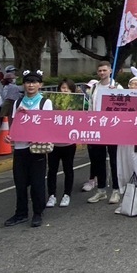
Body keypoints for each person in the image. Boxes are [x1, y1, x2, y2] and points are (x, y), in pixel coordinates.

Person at [4, 69, 51, 228]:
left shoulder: (45, 102)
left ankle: (38, 212)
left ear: (40, 85)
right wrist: (10, 136)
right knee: (20, 182)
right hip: (20, 148)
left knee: (37, 183)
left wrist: (37, 135)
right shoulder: (18, 102)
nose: (31, 85)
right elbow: (15, 125)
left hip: (36, 148)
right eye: (28, 82)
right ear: (23, 85)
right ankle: (21, 213)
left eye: (34, 82)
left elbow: (48, 125)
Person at [114, 68, 137, 215]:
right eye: (131, 84)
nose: (133, 87)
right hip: (123, 141)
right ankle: (127, 199)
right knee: (124, 167)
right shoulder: (121, 102)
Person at [87, 61, 122, 205]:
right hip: (97, 128)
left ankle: (116, 190)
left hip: (113, 128)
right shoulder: (94, 87)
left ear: (110, 71)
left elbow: (124, 107)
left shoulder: (118, 86)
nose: (102, 73)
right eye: (100, 70)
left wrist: (116, 94)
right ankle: (101, 190)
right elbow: (90, 107)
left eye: (104, 70)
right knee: (98, 160)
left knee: (114, 160)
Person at [46, 79, 78, 209]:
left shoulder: (76, 104)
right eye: (62, 88)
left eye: (67, 88)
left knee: (68, 169)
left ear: (72, 91)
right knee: (52, 170)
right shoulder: (51, 103)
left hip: (69, 143)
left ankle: (66, 194)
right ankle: (51, 195)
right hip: (54, 143)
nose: (64, 91)